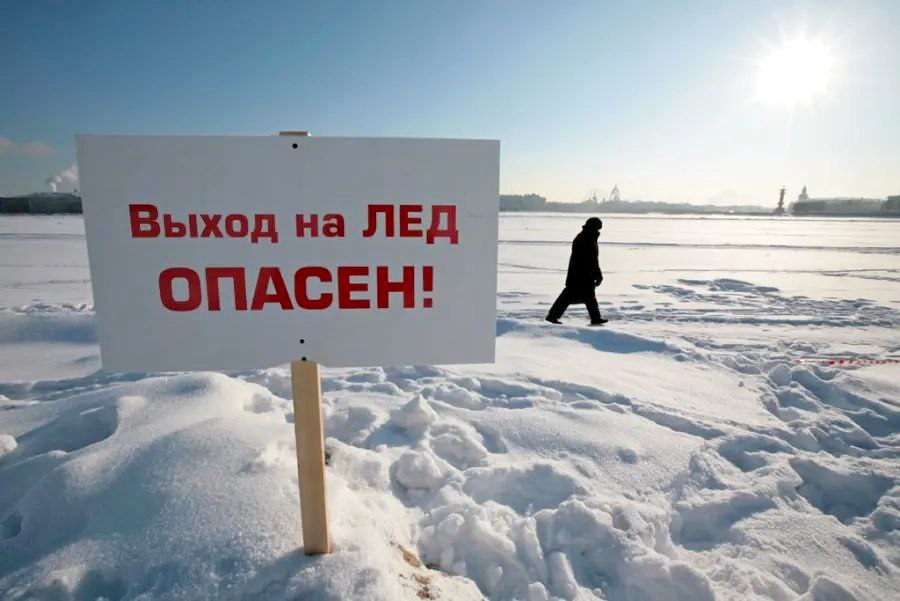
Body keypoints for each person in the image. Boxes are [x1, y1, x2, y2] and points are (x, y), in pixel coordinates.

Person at [545, 217, 608, 326]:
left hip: (582, 273)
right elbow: (590, 259)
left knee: (588, 296)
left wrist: (596, 274)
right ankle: (552, 316)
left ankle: (595, 318)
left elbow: (593, 259)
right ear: (592, 227)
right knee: (569, 295)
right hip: (580, 274)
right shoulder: (585, 238)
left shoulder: (588, 237)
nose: (598, 231)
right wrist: (596, 274)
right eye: (597, 228)